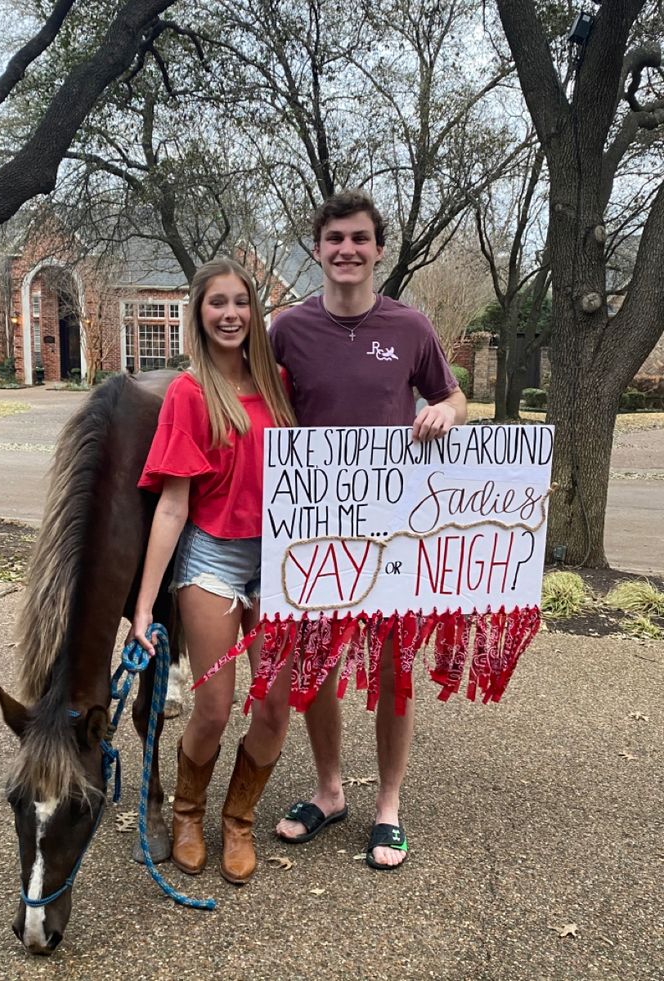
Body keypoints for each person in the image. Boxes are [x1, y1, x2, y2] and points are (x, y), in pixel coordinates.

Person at [269, 190, 467, 870]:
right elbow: (257, 403)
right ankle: (329, 790)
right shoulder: (288, 330)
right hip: (316, 533)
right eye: (334, 239)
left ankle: (388, 804)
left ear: (378, 248)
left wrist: (445, 411)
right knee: (315, 667)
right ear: (318, 250)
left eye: (359, 238)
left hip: (394, 534)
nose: (347, 250)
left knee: (392, 671)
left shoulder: (410, 326)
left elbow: (452, 394)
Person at [130, 257, 295, 885]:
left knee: (277, 706)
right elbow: (172, 505)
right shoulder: (190, 392)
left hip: (281, 562)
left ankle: (239, 821)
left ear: (254, 312)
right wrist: (145, 605)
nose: (230, 314)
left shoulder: (280, 383)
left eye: (241, 303)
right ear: (199, 314)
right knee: (214, 708)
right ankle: (189, 813)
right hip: (213, 560)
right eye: (216, 303)